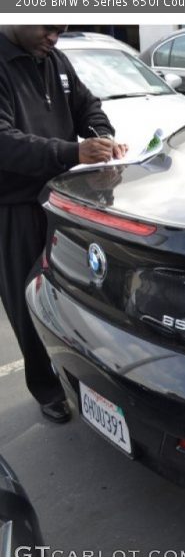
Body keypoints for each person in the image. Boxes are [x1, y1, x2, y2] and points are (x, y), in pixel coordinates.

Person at [0, 25, 128, 423]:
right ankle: (47, 388)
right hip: (14, 206)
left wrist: (102, 138)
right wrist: (72, 151)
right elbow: (3, 142)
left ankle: (80, 376)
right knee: (26, 299)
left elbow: (89, 108)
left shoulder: (55, 60)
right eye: (49, 26)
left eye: (64, 27)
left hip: (62, 199)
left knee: (72, 294)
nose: (56, 35)